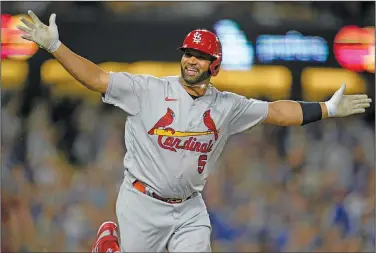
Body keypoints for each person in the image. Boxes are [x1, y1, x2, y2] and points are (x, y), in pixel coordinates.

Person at [17, 11, 372, 253]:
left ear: (214, 65)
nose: (191, 60)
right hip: (142, 202)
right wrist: (54, 47)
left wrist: (327, 109)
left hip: (189, 209)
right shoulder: (148, 90)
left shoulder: (227, 105)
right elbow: (95, 78)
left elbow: (277, 112)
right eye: (188, 53)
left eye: (200, 56)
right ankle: (111, 244)